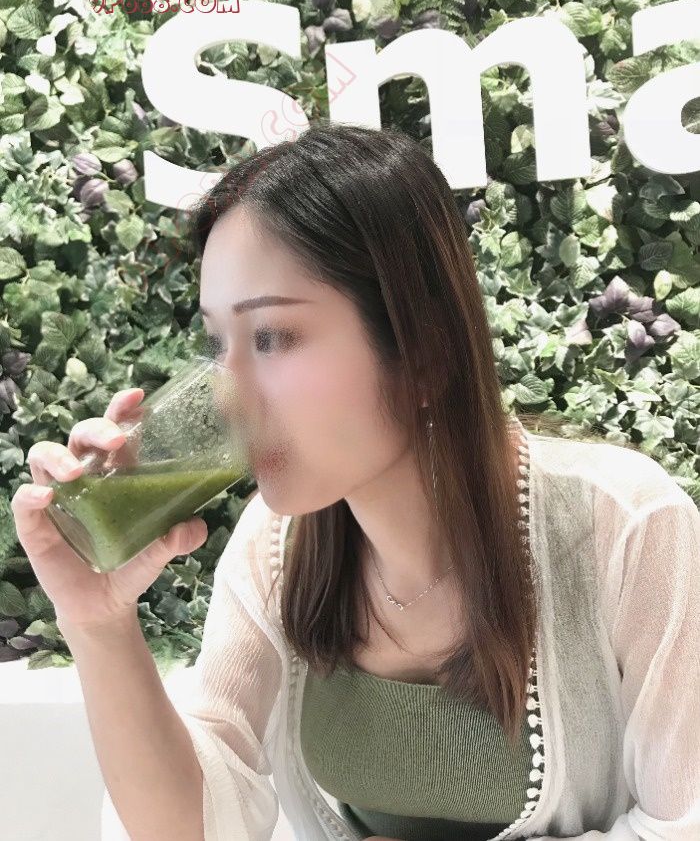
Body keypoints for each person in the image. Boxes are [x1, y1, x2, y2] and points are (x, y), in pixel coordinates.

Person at [11, 122, 700, 841]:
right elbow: (190, 830)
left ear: (423, 351)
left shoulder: (626, 524)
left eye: (272, 336)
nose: (225, 393)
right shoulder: (276, 545)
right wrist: (97, 623)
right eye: (218, 342)